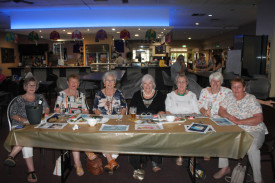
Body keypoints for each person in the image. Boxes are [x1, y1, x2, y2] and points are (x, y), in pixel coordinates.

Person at [214, 77, 267, 183]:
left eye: (239, 87)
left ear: (244, 88)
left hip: (254, 129)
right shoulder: (229, 97)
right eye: (233, 87)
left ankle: (258, 179)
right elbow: (221, 111)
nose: (236, 89)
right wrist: (229, 116)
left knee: (251, 147)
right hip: (235, 129)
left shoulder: (251, 99)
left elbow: (259, 118)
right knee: (221, 139)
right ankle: (225, 168)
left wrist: (239, 121)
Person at [4, 77, 49, 183]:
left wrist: (40, 114)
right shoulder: (18, 99)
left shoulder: (40, 97)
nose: (32, 87)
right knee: (26, 138)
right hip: (20, 124)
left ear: (36, 87)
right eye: (29, 85)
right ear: (25, 86)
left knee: (27, 137)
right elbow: (12, 114)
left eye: (34, 85)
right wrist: (22, 119)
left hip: (35, 124)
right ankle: (31, 171)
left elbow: (47, 109)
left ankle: (11, 156)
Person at [129, 74, 166, 181]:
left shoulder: (159, 95)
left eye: (150, 83)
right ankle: (138, 164)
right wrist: (138, 119)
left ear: (153, 84)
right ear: (142, 85)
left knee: (155, 134)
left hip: (154, 123)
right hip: (139, 123)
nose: (147, 85)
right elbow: (132, 110)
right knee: (136, 135)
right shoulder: (137, 95)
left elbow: (162, 111)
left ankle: (154, 160)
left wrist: (153, 119)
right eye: (145, 83)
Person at [54, 74, 89, 176]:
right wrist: (68, 116)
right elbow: (56, 110)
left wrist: (80, 116)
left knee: (79, 132)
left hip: (78, 121)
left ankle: (83, 157)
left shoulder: (81, 95)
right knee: (74, 135)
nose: (74, 84)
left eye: (76, 82)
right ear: (67, 83)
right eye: (72, 82)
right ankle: (78, 163)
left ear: (78, 84)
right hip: (64, 121)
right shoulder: (61, 94)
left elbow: (86, 111)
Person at [92, 71, 127, 174]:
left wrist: (119, 117)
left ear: (115, 82)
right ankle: (111, 160)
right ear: (104, 82)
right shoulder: (99, 94)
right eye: (108, 80)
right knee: (103, 136)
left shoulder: (119, 93)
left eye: (112, 80)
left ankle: (110, 160)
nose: (110, 82)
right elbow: (95, 109)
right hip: (103, 121)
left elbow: (124, 108)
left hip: (116, 120)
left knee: (115, 137)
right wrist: (102, 118)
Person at [165, 74, 200, 166]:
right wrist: (176, 119)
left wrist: (188, 120)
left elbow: (197, 112)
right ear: (176, 84)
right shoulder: (170, 96)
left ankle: (191, 153)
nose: (181, 84)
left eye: (183, 82)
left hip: (190, 120)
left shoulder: (193, 95)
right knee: (179, 130)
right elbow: (167, 111)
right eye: (179, 82)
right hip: (175, 121)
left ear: (187, 83)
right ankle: (179, 154)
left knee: (190, 130)